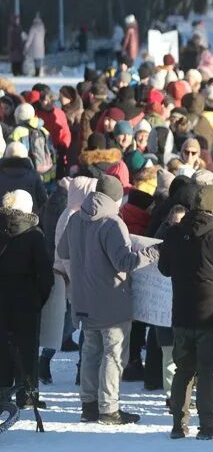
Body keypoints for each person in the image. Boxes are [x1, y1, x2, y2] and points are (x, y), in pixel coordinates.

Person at [56, 175, 157, 424]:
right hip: (112, 301)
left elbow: (62, 251)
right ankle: (109, 408)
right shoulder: (113, 222)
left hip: (83, 299)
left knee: (91, 352)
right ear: (116, 197)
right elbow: (125, 261)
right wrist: (152, 252)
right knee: (113, 355)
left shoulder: (76, 218)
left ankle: (88, 405)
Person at [157, 185, 213, 440]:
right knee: (209, 370)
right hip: (212, 315)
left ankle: (178, 425)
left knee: (183, 370)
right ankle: (208, 425)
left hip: (181, 314)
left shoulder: (174, 233)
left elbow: (164, 269)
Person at [0, 190, 54, 411]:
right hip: (26, 302)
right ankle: (28, 393)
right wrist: (38, 299)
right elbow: (45, 275)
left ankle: (3, 392)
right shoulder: (34, 235)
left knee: (2, 348)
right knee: (28, 348)